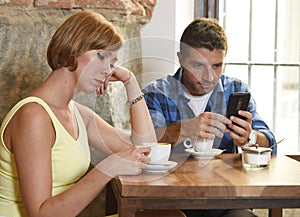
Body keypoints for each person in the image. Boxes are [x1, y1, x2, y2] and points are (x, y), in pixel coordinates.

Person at [0, 11, 156, 217]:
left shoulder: (78, 114)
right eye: (101, 56)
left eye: (112, 63)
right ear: (73, 48)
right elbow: (40, 214)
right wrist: (107, 169)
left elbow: (145, 150)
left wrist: (131, 82)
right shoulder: (34, 116)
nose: (107, 70)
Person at [142, 17, 276, 217]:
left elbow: (270, 142)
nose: (209, 77)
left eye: (216, 66)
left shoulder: (236, 89)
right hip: (172, 199)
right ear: (180, 59)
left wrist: (250, 138)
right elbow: (145, 143)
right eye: (198, 65)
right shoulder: (156, 93)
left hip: (226, 200)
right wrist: (185, 129)